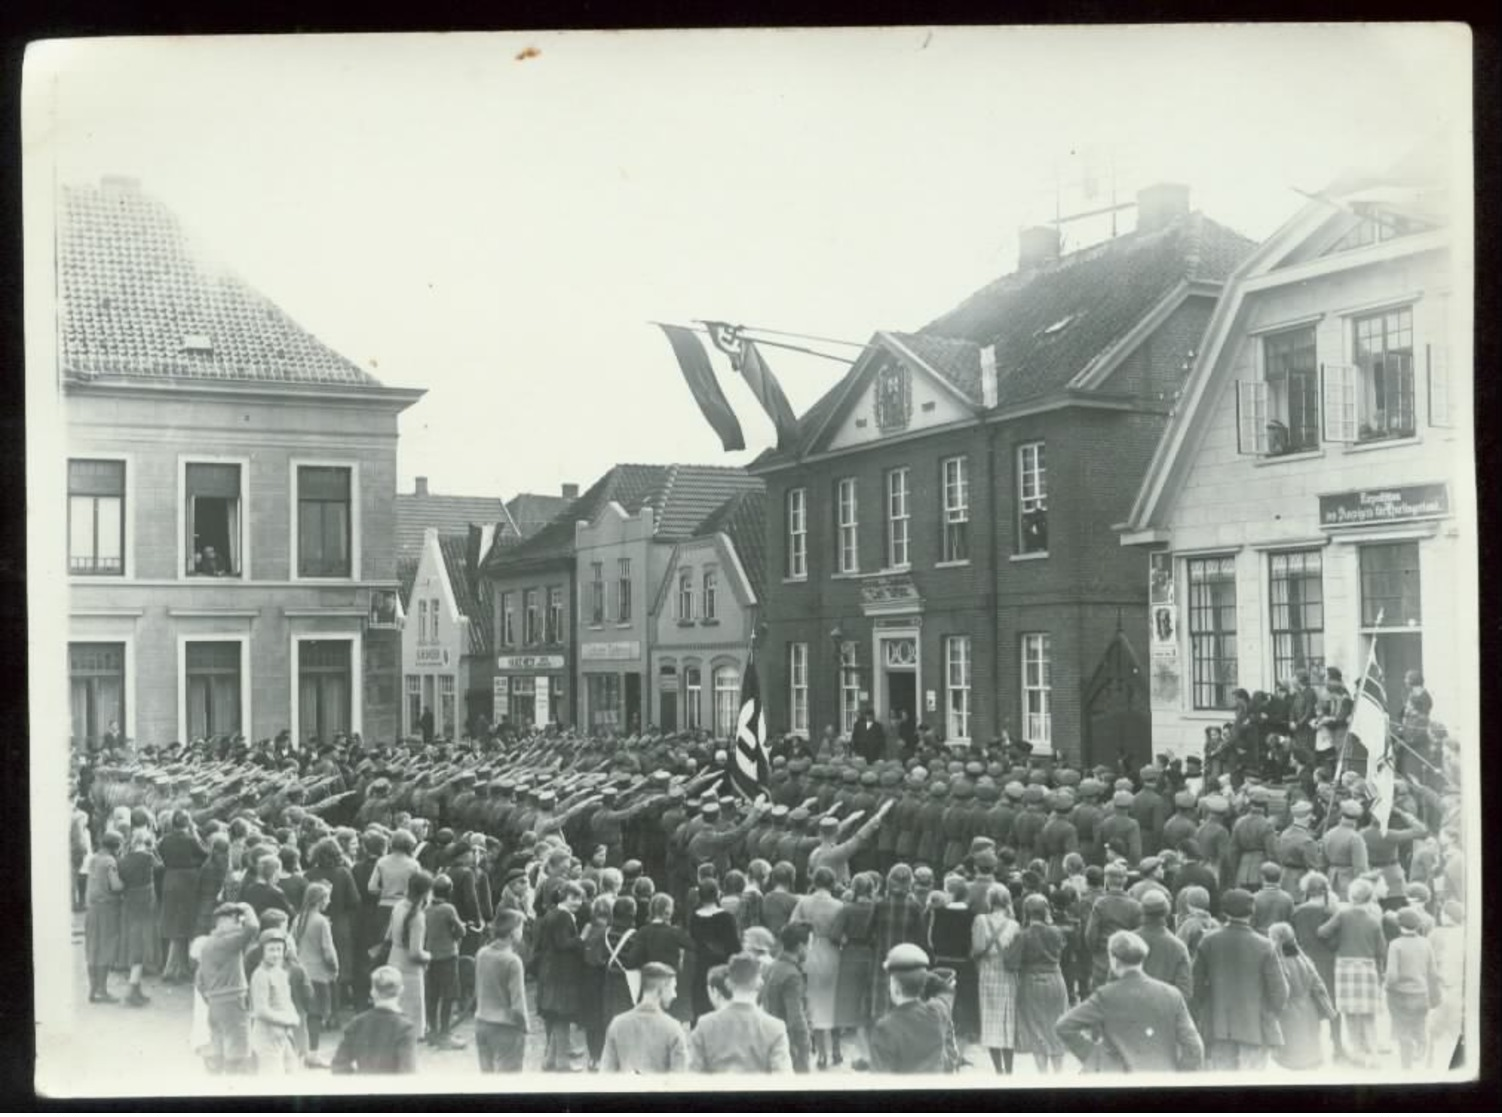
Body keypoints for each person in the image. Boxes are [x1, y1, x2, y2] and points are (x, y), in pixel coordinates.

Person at [1054, 930, 1204, 1073]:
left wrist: (1097, 1058)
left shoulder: (1105, 995)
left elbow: (1064, 1026)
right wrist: (1180, 1073)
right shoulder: (1172, 994)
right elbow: (1194, 1047)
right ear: (1142, 959)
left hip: (1118, 1079)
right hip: (1162, 1077)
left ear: (1114, 959)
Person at [1191, 888, 1289, 1070]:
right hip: (1255, 1028)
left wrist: (1205, 1010)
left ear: (1224, 911)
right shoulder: (1265, 945)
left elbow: (1195, 986)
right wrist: (1268, 1013)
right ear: (1252, 911)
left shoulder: (1208, 941)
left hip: (1218, 1025)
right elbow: (1280, 992)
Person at [1316, 877, 1387, 1066]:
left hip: (1345, 967)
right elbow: (1382, 951)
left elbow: (1322, 932)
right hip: (1367, 967)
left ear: (1350, 896)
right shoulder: (1374, 920)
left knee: (1349, 1014)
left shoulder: (1342, 914)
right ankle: (1373, 1055)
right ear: (1370, 898)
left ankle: (1357, 1054)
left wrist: (1336, 945)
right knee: (1368, 1014)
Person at [687, 953, 793, 1073]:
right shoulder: (775, 1028)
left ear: (728, 983)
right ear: (760, 984)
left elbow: (693, 1075)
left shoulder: (705, 1024)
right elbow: (783, 1078)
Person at [1004, 892, 1068, 1073]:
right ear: (1046, 910)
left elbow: (1011, 963)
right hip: (1056, 980)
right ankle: (1059, 1076)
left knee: (1036, 1031)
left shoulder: (1022, 935)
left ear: (1026, 912)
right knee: (1056, 1027)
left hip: (1031, 983)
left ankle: (1043, 1078)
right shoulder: (1056, 932)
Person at [196, 901, 262, 1074]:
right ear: (229, 919)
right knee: (238, 1056)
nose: (239, 924)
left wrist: (212, 998)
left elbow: (200, 980)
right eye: (237, 920)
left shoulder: (207, 944)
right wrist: (247, 907)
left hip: (214, 1003)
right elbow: (253, 928)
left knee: (219, 1052)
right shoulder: (227, 941)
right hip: (233, 1002)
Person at [865, 943, 951, 1074]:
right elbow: (946, 989)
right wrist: (921, 976)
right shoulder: (937, 1012)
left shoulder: (884, 1028)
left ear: (895, 986)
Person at [788, 865, 843, 1068]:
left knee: (815, 1003)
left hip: (811, 951)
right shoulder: (839, 905)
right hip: (834, 952)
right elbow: (842, 934)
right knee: (835, 1001)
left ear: (815, 882)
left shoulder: (804, 903)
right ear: (832, 883)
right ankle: (836, 1049)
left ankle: (821, 1054)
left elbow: (792, 926)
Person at [1267, 922, 1335, 1071]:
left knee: (1291, 1060)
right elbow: (1318, 985)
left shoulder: (1277, 962)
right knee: (1310, 1055)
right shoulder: (1303, 958)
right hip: (1309, 1010)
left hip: (1288, 1012)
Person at [535, 880, 588, 1071]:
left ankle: (550, 1061)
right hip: (561, 975)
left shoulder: (552, 914)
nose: (578, 902)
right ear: (564, 896)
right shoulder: (563, 917)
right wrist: (582, 938)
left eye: (580, 899)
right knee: (562, 1018)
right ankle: (563, 1063)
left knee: (556, 1017)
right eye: (574, 898)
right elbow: (563, 944)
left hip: (551, 972)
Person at [601, 962, 688, 1074]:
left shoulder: (617, 1024)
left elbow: (606, 1075)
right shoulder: (673, 1028)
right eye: (673, 988)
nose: (674, 994)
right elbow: (679, 1080)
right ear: (662, 987)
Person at [331, 965, 419, 1074]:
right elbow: (407, 1072)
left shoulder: (357, 1023)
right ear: (401, 990)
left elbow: (339, 1065)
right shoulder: (406, 1028)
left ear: (373, 992)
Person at [971, 883, 1020, 1074]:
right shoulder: (1014, 924)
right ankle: (1009, 1070)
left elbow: (977, 949)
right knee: (1008, 1021)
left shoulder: (980, 920)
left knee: (990, 1021)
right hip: (1008, 975)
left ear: (989, 901)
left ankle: (998, 1070)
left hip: (988, 973)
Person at [474, 910, 530, 1073]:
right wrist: (524, 1026)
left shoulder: (482, 953)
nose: (522, 932)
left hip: (482, 1023)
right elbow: (518, 1002)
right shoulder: (513, 961)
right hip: (505, 1027)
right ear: (513, 932)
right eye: (521, 928)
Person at [1385, 907, 1441, 1069]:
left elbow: (1392, 975)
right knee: (1419, 1023)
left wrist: (1387, 986)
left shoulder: (1395, 945)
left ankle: (1406, 1067)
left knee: (1403, 1030)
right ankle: (1421, 1042)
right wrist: (1433, 996)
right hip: (1420, 993)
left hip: (1399, 995)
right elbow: (1432, 972)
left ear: (1399, 925)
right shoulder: (1426, 943)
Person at [156, 809, 207, 983]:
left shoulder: (164, 841)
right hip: (188, 882)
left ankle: (179, 966)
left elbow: (160, 854)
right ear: (187, 823)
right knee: (183, 925)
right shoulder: (191, 840)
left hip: (170, 879)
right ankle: (173, 969)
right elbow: (205, 855)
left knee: (174, 923)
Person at [292, 881, 339, 1065]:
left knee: (303, 1013)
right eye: (327, 898)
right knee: (316, 1014)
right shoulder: (321, 922)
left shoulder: (298, 918)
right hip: (318, 973)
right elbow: (328, 951)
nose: (329, 901)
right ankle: (313, 1053)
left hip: (301, 970)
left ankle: (301, 1050)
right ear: (320, 900)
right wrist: (335, 968)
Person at [760, 922, 814, 1073]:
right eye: (809, 944)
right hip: (788, 1045)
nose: (810, 949)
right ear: (800, 946)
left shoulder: (771, 967)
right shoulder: (792, 975)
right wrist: (805, 1046)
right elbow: (796, 1017)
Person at [386, 870, 433, 1043]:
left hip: (393, 959)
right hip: (410, 970)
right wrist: (428, 956)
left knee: (395, 1005)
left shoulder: (398, 906)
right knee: (410, 1015)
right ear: (427, 892)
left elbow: (389, 936)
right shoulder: (418, 917)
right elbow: (415, 953)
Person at [249, 928, 302, 1075]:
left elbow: (286, 1000)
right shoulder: (260, 975)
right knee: (272, 1078)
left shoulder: (280, 972)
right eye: (271, 950)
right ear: (262, 952)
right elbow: (261, 1010)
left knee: (292, 1070)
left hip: (284, 1034)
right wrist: (287, 1019)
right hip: (266, 1036)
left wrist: (294, 1015)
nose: (276, 954)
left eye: (279, 949)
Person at [688, 880, 743, 1022]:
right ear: (718, 894)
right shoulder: (726, 917)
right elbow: (734, 947)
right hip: (721, 969)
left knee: (701, 1010)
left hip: (701, 968)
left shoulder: (694, 917)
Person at [423, 873, 467, 1050]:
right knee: (448, 995)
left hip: (430, 956)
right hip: (448, 956)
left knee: (432, 995)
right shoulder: (448, 908)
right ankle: (445, 1032)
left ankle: (433, 1031)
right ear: (449, 891)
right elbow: (461, 931)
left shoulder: (426, 909)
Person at [117, 829, 159, 1007]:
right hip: (145, 904)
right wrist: (153, 849)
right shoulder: (149, 858)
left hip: (130, 903)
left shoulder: (123, 861)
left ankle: (135, 987)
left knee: (135, 941)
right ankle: (133, 990)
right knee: (141, 944)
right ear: (146, 842)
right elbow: (160, 867)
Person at [83, 830, 125, 1004]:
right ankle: (102, 991)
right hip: (107, 910)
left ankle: (93, 990)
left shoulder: (93, 859)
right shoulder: (110, 861)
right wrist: (125, 883)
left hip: (91, 909)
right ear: (116, 846)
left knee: (93, 948)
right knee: (105, 948)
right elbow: (115, 886)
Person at [1137, 890, 1192, 1002]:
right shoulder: (1178, 946)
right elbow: (1185, 991)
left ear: (1142, 910)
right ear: (1167, 911)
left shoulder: (1128, 941)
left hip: (1131, 1011)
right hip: (1163, 1012)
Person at [1252, 861, 1295, 933]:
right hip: (1280, 938)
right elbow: (1290, 922)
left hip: (1259, 937)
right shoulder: (1288, 898)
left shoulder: (1254, 898)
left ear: (1262, 877)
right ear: (1280, 877)